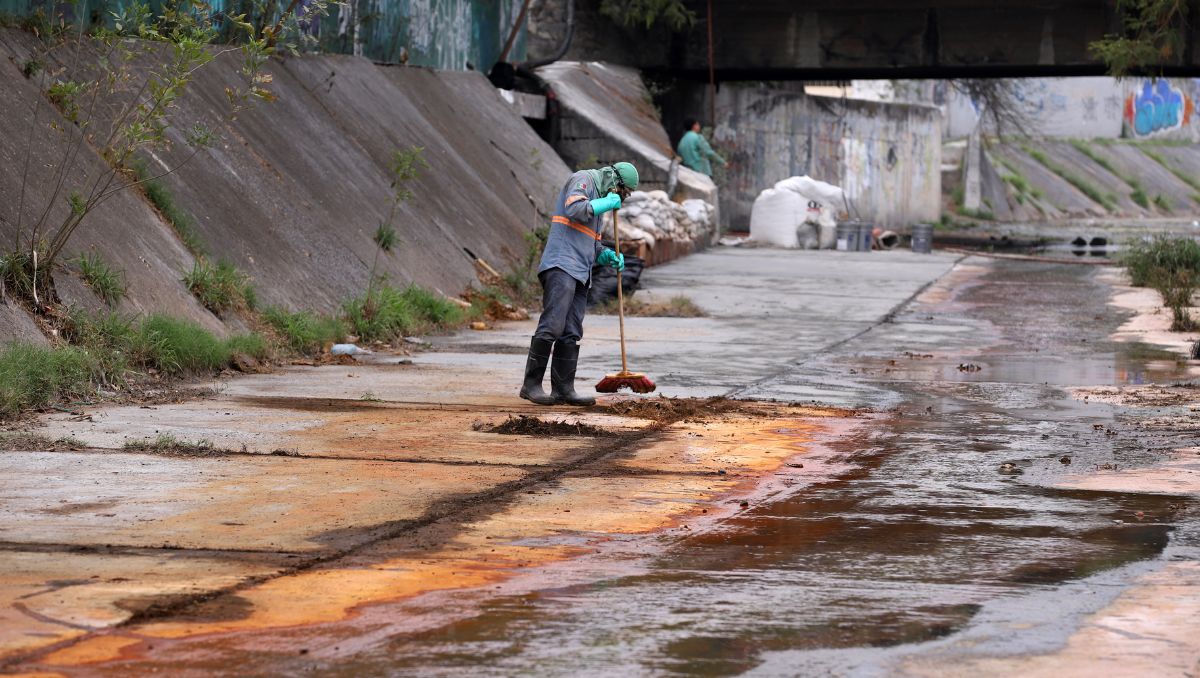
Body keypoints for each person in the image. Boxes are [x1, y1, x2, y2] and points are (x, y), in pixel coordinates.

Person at [520, 162, 639, 407]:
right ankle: (530, 385)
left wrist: (606, 255)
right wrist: (605, 203)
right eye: (623, 192)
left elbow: (591, 243)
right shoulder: (583, 180)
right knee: (553, 324)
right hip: (561, 264)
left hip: (581, 270)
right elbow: (575, 209)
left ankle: (563, 388)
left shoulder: (601, 203)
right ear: (614, 180)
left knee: (572, 331)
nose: (620, 198)